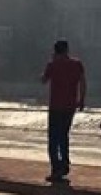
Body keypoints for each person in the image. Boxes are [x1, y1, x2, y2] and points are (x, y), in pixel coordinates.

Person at [40, 40, 85, 184]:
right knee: (64, 135)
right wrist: (81, 99)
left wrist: (51, 63)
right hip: (70, 106)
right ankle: (64, 163)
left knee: (53, 138)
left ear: (55, 51)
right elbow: (83, 82)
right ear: (67, 50)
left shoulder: (52, 65)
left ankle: (56, 168)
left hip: (55, 107)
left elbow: (43, 80)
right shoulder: (77, 64)